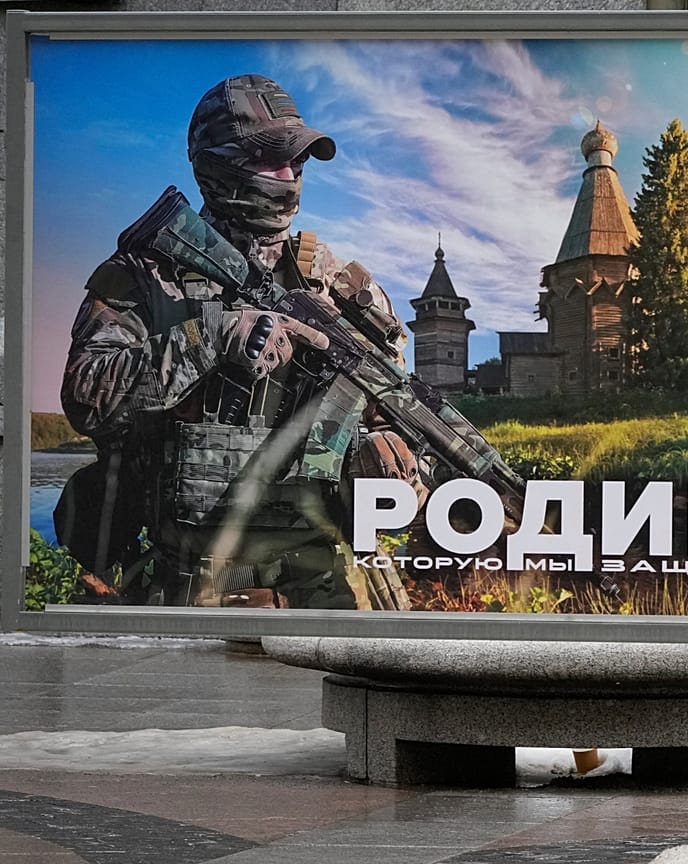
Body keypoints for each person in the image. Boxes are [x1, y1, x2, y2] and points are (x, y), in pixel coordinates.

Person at [59, 74, 421, 610]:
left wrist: (396, 469)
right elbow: (88, 398)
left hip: (329, 590)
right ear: (218, 161)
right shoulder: (145, 276)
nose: (291, 174)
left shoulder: (343, 289)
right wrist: (213, 335)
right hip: (190, 590)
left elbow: (402, 419)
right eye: (273, 159)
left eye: (298, 161)